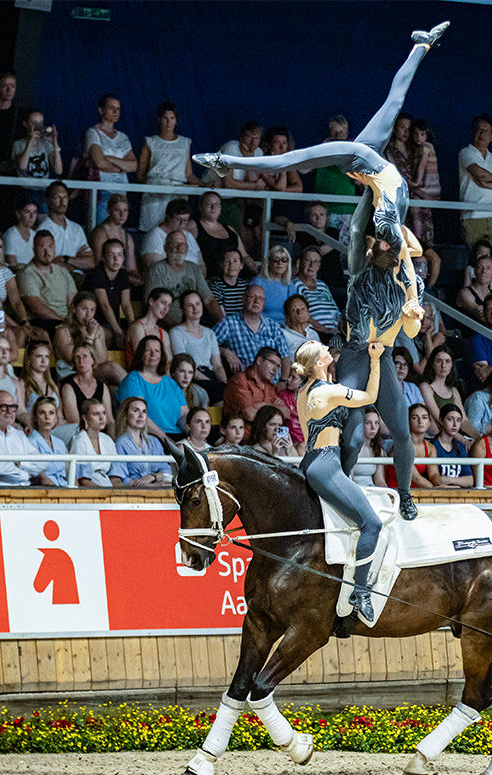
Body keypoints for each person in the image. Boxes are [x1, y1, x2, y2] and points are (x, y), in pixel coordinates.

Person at [195, 22, 450, 293]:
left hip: (357, 156)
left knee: (293, 159)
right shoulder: (394, 217)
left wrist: (357, 277)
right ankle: (421, 45)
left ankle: (225, 162)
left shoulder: (379, 215)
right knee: (394, 101)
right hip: (366, 153)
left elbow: (356, 231)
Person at [292, 339, 387, 619]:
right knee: (371, 523)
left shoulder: (303, 390)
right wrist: (376, 360)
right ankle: (360, 593)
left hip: (311, 460)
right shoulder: (330, 392)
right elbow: (370, 396)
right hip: (327, 465)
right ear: (319, 363)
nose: (326, 348)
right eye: (322, 349)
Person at [136, 102, 201, 232]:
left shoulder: (184, 143)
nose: (168, 122)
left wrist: (204, 184)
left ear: (176, 120)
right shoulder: (151, 142)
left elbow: (188, 175)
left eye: (172, 118)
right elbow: (140, 174)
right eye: (165, 118)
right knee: (153, 232)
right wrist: (154, 187)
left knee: (176, 232)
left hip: (177, 194)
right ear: (159, 119)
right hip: (155, 193)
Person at [0, 390, 53, 486]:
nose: (9, 411)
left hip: (22, 492)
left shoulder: (19, 435)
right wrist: (27, 475)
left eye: (13, 406)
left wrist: (19, 463)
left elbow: (42, 463)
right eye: (3, 406)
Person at [116, 335, 187, 440]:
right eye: (148, 351)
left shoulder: (171, 383)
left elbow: (184, 415)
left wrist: (195, 435)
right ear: (141, 354)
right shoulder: (133, 379)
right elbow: (138, 414)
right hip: (149, 436)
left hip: (176, 435)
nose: (153, 354)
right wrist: (165, 438)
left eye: (157, 351)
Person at [457, 114, 492, 247]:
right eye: (479, 130)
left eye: (486, 131)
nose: (482, 134)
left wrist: (488, 184)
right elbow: (479, 173)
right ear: (472, 132)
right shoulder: (466, 152)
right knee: (474, 257)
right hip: (472, 215)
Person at [214, 284, 290, 375]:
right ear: (243, 299)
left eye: (261, 298)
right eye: (252, 296)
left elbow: (285, 356)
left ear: (264, 303)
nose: (256, 301)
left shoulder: (273, 326)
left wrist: (283, 381)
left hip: (273, 384)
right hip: (245, 383)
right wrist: (224, 351)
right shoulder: (228, 323)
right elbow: (208, 346)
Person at [146, 230, 219, 326]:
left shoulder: (193, 268)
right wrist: (179, 329)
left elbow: (209, 300)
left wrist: (222, 322)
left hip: (192, 326)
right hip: (166, 326)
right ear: (165, 248)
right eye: (174, 244)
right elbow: (152, 305)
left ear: (187, 248)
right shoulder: (156, 269)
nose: (179, 248)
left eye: (182, 244)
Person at [85, 94, 136, 219]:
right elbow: (99, 162)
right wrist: (122, 166)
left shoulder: (123, 137)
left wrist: (110, 158)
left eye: (118, 108)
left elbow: (134, 165)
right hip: (102, 191)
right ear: (101, 110)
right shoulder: (93, 132)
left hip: (121, 192)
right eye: (111, 108)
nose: (115, 112)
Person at [18, 231, 76, 338]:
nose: (46, 252)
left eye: (50, 247)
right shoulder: (27, 273)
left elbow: (73, 302)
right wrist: (63, 321)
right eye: (41, 247)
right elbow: (36, 307)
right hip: (43, 321)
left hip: (66, 320)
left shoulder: (63, 271)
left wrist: (73, 320)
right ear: (34, 249)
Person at [82, 238, 136, 347]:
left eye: (119, 255)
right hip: (93, 322)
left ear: (124, 258)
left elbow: (126, 304)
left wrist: (133, 327)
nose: (116, 259)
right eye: (111, 255)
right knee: (111, 336)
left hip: (111, 323)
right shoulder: (96, 274)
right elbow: (105, 305)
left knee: (134, 335)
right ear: (103, 258)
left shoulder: (123, 274)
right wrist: (119, 332)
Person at [111, 396, 172, 487]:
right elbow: (121, 479)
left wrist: (153, 477)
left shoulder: (154, 441)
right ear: (125, 415)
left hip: (158, 488)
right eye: (136, 411)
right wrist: (152, 486)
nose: (141, 415)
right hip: (134, 493)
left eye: (144, 411)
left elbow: (167, 471)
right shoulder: (120, 444)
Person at [191, 192, 255, 275]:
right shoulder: (193, 226)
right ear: (201, 207)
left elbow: (244, 255)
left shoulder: (230, 229)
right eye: (209, 204)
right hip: (210, 278)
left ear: (220, 208)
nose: (213, 207)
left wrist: (254, 269)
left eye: (217, 204)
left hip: (235, 278)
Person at [37, 181, 93, 271]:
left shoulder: (76, 229)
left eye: (65, 197)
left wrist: (66, 259)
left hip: (77, 278)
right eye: (57, 197)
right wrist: (77, 262)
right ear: (47, 201)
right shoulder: (42, 230)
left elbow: (91, 262)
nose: (62, 201)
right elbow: (47, 265)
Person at [60, 344, 114, 431]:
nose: (81, 360)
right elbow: (74, 422)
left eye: (85, 356)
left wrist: (112, 441)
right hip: (80, 434)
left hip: (101, 435)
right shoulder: (68, 386)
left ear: (93, 359)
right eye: (77, 357)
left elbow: (109, 420)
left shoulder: (102, 386)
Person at [69, 397, 120, 488]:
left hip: (107, 486)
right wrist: (103, 493)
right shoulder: (79, 441)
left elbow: (115, 476)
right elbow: (83, 480)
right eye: (96, 414)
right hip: (90, 491)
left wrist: (118, 493)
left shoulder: (107, 440)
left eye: (104, 413)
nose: (101, 418)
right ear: (85, 418)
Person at [89, 194, 138, 281]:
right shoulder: (100, 233)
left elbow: (131, 267)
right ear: (109, 211)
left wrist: (137, 277)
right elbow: (98, 263)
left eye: (125, 210)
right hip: (103, 278)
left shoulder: (127, 237)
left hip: (121, 277)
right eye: (117, 210)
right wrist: (127, 278)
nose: (122, 214)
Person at [26, 395, 69, 487]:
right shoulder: (30, 442)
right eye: (42, 413)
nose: (47, 417)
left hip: (64, 489)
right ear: (35, 417)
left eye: (51, 413)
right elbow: (39, 477)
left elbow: (70, 474)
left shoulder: (60, 443)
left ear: (56, 417)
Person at [3, 200, 39, 267]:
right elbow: (13, 265)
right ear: (18, 214)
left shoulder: (35, 235)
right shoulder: (11, 235)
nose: (31, 217)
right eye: (27, 212)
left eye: (34, 212)